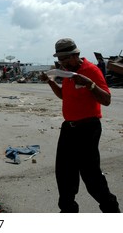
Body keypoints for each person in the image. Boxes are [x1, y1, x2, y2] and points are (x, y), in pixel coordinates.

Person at [40, 38, 120, 213]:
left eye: (66, 59)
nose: (63, 63)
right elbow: (64, 96)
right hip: (69, 127)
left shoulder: (90, 71)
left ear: (76, 55)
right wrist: (50, 81)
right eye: (60, 60)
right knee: (64, 174)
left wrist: (89, 84)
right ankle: (68, 212)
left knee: (91, 176)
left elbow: (106, 100)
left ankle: (112, 211)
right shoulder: (68, 73)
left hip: (88, 127)